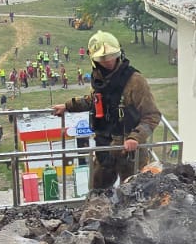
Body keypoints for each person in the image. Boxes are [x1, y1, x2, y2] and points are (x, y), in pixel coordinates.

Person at [51, 31, 161, 192]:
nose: (108, 61)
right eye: (103, 58)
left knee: (133, 194)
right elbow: (94, 100)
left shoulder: (135, 81)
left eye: (112, 56)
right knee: (97, 191)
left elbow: (152, 116)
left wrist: (135, 138)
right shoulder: (100, 78)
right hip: (105, 146)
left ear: (119, 54)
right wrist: (68, 106)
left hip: (130, 151)